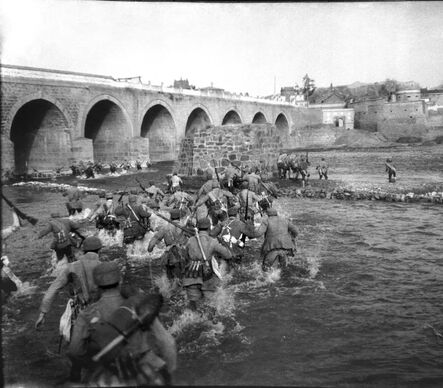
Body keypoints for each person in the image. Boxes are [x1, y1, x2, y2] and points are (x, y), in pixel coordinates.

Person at [67, 261, 177, 385]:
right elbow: (167, 342)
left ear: (97, 285)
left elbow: (74, 351)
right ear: (119, 280)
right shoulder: (139, 305)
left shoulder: (87, 314)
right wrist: (169, 370)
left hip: (109, 374)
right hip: (146, 369)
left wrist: (92, 366)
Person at [35, 236, 103, 330]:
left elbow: (53, 289)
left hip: (80, 313)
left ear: (83, 251)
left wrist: (42, 313)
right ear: (99, 251)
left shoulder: (71, 267)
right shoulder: (105, 266)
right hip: (100, 312)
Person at [183, 217, 232, 310]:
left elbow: (185, 257)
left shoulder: (190, 241)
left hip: (191, 276)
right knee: (210, 305)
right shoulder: (213, 242)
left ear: (197, 227)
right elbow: (228, 255)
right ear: (209, 228)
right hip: (207, 276)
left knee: (193, 307)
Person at [147, 209, 189, 281]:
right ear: (179, 218)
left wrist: (150, 249)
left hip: (170, 256)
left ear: (170, 218)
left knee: (171, 280)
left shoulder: (165, 228)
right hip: (183, 255)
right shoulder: (185, 228)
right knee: (183, 278)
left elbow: (152, 242)